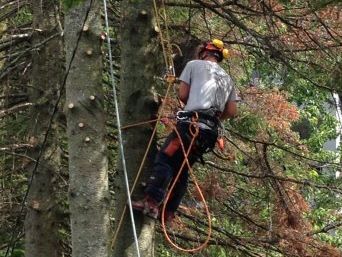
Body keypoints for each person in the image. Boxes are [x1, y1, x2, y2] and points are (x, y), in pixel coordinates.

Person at [132, 39, 238, 222]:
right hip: (208, 134)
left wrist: (195, 109)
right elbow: (231, 111)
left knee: (165, 159)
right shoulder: (228, 79)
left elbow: (182, 95)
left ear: (204, 52)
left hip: (190, 126)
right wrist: (210, 118)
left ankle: (151, 202)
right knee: (181, 169)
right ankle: (168, 213)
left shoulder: (194, 65)